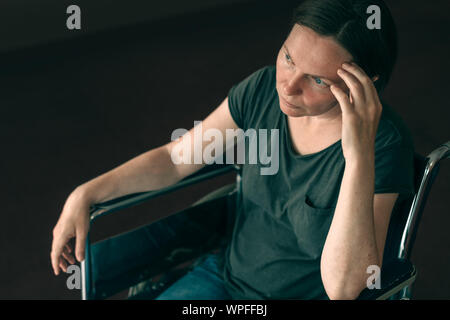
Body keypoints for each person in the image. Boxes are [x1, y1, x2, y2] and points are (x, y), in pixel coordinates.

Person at [51, 0, 415, 300]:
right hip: (223, 280)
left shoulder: (383, 146)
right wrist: (85, 193)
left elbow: (345, 288)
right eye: (289, 58)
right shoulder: (261, 91)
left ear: (364, 84)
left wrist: (358, 155)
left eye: (317, 80)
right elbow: (176, 159)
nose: (288, 87)